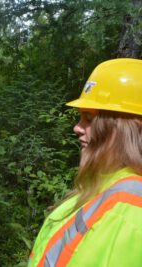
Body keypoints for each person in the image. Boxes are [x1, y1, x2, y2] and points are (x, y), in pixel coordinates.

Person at [28, 58, 142, 266]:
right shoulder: (102, 187)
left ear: (129, 128)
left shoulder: (131, 209)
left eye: (89, 119)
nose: (77, 128)